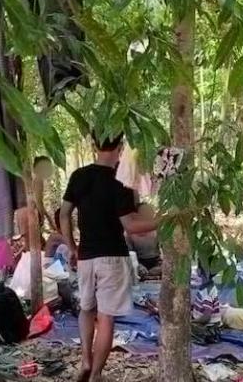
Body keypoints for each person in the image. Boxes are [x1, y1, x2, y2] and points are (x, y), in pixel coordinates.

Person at [60, 132, 159, 382]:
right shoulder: (121, 180)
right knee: (106, 318)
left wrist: (71, 247)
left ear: (93, 144)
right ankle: (96, 374)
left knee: (86, 309)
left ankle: (85, 360)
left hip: (86, 256)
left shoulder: (79, 175)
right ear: (121, 146)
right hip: (113, 257)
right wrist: (166, 220)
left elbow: (64, 214)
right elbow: (131, 226)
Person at [125, 203, 162, 276]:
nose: (147, 214)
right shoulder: (129, 233)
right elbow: (129, 254)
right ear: (137, 215)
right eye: (144, 212)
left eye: (149, 211)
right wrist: (138, 266)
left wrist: (160, 267)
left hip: (156, 263)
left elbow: (167, 254)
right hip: (138, 263)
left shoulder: (158, 231)